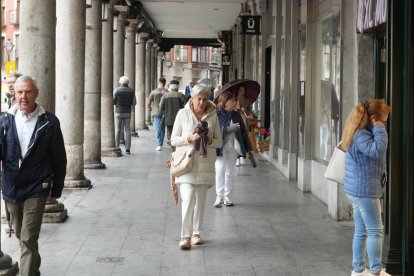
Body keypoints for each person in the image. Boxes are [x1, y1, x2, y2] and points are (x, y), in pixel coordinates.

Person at [0, 75, 67, 276]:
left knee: (28, 236)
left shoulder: (49, 122)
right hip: (12, 186)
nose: (24, 96)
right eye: (20, 92)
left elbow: (59, 158)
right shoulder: (5, 120)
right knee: (21, 235)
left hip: (38, 186)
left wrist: (56, 188)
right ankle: (33, 268)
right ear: (14, 93)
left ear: (36, 94)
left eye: (28, 92)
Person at [341, 99, 391, 276]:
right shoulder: (361, 135)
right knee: (375, 231)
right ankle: (376, 271)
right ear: (374, 118)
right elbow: (377, 150)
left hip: (358, 189)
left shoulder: (359, 131)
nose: (385, 124)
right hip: (364, 191)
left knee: (361, 231)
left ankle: (358, 270)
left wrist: (377, 126)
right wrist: (380, 127)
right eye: (384, 120)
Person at [171, 84, 222, 250]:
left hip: (205, 163)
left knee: (200, 200)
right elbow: (173, 140)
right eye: (198, 98)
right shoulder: (182, 114)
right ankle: (185, 236)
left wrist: (209, 141)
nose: (201, 102)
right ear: (192, 99)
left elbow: (219, 141)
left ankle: (196, 233)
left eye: (204, 99)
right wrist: (189, 138)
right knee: (188, 198)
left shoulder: (213, 116)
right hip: (186, 163)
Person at [214, 91, 253, 207]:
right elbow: (217, 131)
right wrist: (230, 128)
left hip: (233, 147)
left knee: (230, 171)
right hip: (220, 147)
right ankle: (219, 196)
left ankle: (227, 195)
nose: (235, 102)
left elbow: (243, 132)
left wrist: (249, 147)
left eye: (235, 100)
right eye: (232, 100)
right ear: (225, 102)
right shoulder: (217, 114)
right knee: (220, 169)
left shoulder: (236, 115)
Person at [159, 79, 186, 147]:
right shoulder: (181, 95)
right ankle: (176, 147)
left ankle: (173, 146)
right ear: (178, 87)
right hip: (180, 119)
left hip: (169, 118)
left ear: (170, 87)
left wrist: (166, 110)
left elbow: (161, 106)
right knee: (179, 133)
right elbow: (186, 107)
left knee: (170, 133)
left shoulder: (165, 95)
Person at [113, 76, 136, 154]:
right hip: (127, 112)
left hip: (118, 113)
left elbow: (113, 101)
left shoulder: (116, 90)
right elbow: (134, 103)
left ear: (120, 82)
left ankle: (117, 146)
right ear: (128, 82)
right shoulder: (131, 91)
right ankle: (127, 149)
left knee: (118, 129)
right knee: (128, 130)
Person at [148, 77, 168, 151]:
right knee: (162, 129)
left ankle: (159, 144)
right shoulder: (167, 92)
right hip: (164, 113)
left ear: (158, 82)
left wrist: (150, 109)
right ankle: (161, 143)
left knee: (157, 128)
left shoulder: (153, 92)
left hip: (156, 113)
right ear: (165, 83)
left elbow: (148, 102)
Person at [235, 85, 253, 166]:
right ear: (237, 90)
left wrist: (249, 115)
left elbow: (249, 111)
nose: (242, 91)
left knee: (243, 137)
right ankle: (237, 157)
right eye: (240, 89)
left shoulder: (247, 100)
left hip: (244, 120)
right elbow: (229, 109)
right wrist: (237, 108)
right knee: (236, 138)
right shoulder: (233, 99)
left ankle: (242, 155)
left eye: (243, 90)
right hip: (235, 120)